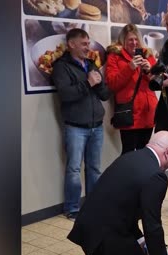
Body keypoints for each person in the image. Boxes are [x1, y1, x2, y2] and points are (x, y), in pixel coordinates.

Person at [67, 131, 168, 255]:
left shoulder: (130, 157)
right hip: (104, 237)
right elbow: (152, 224)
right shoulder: (156, 176)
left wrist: (143, 243)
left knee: (142, 253)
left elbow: (126, 207)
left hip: (87, 227)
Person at [52, 28, 111, 221]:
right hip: (75, 127)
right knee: (74, 169)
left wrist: (99, 82)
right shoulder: (61, 66)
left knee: (94, 168)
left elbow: (104, 94)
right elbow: (66, 95)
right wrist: (88, 83)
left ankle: (93, 205)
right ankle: (72, 208)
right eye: (84, 44)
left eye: (88, 43)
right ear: (71, 44)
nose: (88, 47)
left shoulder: (91, 63)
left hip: (96, 126)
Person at [105, 24, 158, 155]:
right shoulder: (115, 57)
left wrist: (149, 71)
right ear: (124, 41)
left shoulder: (148, 55)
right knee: (128, 154)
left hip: (148, 113)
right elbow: (112, 84)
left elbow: (158, 83)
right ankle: (127, 176)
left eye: (136, 40)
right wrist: (130, 67)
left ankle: (142, 176)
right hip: (129, 114)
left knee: (144, 153)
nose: (134, 43)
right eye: (130, 40)